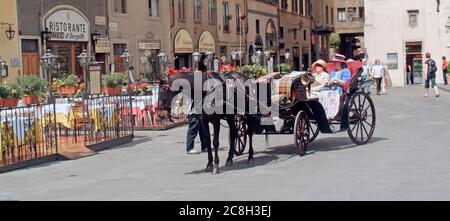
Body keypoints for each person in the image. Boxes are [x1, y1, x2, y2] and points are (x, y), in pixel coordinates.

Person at [319, 54, 352, 120]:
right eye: (334, 62)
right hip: (331, 89)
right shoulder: (333, 72)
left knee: (329, 94)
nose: (334, 64)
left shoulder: (345, 71)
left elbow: (344, 83)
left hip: (340, 90)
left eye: (336, 62)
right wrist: (328, 82)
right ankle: (324, 113)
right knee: (322, 93)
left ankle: (333, 114)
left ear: (340, 63)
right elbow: (330, 82)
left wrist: (335, 79)